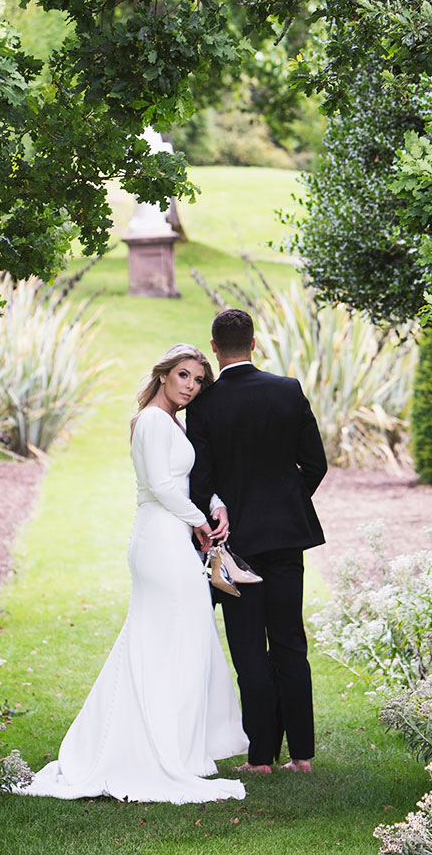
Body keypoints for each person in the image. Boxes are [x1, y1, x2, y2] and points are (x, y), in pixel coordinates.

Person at [18, 344, 249, 803]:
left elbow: (185, 480)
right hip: (159, 541)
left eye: (199, 380)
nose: (191, 386)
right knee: (164, 638)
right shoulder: (149, 420)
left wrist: (214, 503)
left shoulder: (170, 423)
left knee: (182, 638)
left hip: (172, 537)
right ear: (163, 375)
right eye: (184, 375)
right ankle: (145, 750)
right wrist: (200, 524)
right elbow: (161, 487)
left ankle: (177, 746)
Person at [184, 307, 331, 774]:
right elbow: (315, 465)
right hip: (287, 539)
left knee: (249, 648)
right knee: (289, 641)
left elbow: (200, 483)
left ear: (214, 348)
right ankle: (303, 756)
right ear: (254, 343)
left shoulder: (202, 406)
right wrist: (287, 502)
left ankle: (261, 758)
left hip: (234, 544)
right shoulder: (287, 390)